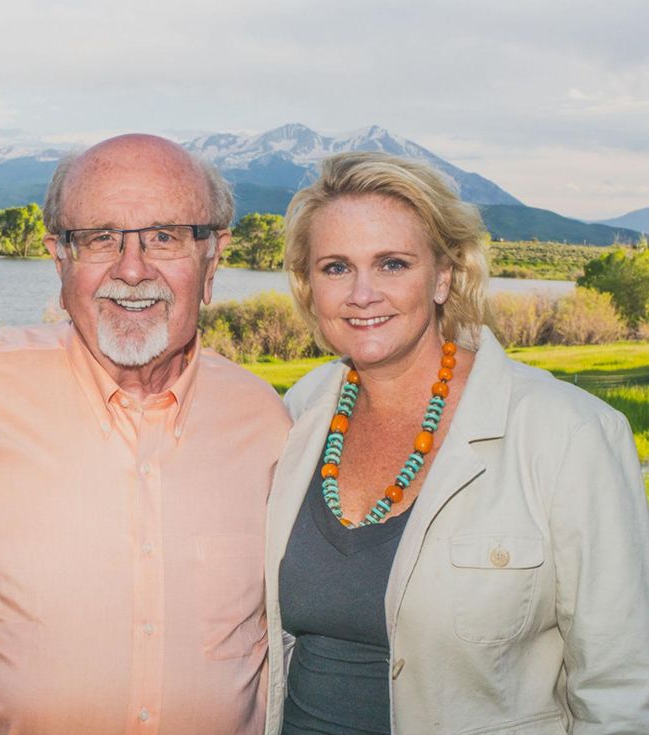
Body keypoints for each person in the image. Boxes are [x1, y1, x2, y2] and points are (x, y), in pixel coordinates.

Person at [263, 151, 649, 734]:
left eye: (392, 263)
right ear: (308, 284)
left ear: (444, 275)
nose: (362, 293)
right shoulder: (300, 413)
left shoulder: (569, 436)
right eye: (336, 267)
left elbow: (622, 687)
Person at [0, 134, 292, 734]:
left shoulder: (267, 424)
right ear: (58, 257)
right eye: (100, 237)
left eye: (165, 236)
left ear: (213, 256)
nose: (131, 269)